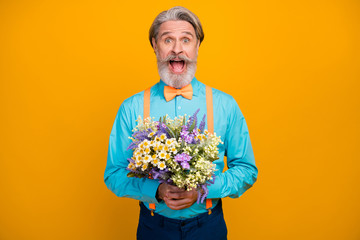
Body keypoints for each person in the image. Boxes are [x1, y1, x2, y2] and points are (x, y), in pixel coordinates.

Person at [104, 6, 258, 240]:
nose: (177, 50)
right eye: (168, 40)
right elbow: (113, 174)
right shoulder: (131, 107)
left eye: (186, 40)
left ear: (197, 46)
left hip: (208, 227)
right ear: (155, 46)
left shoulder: (225, 105)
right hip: (153, 229)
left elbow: (246, 170)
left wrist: (204, 190)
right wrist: (156, 190)